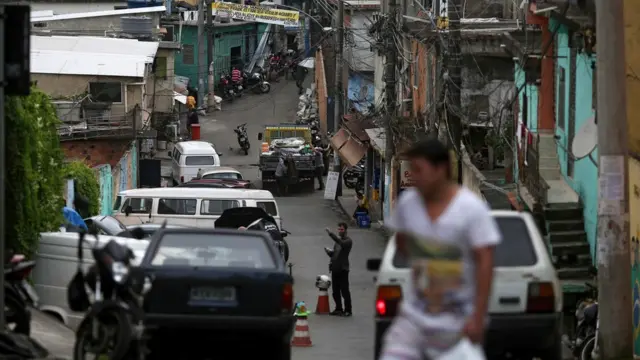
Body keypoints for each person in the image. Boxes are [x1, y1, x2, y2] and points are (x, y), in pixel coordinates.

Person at [379, 138, 501, 360]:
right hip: (415, 318)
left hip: (458, 321)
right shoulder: (409, 205)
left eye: (418, 170)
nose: (413, 177)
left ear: (441, 169)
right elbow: (402, 244)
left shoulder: (471, 209)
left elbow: (486, 263)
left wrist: (478, 316)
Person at [325, 222, 353, 317]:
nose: (340, 231)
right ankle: (338, 309)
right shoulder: (337, 243)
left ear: (345, 230)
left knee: (344, 291)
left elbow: (341, 243)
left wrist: (330, 234)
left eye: (342, 229)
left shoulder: (348, 241)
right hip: (335, 269)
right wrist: (329, 253)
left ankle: (348, 310)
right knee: (335, 291)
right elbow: (335, 254)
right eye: (339, 229)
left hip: (343, 269)